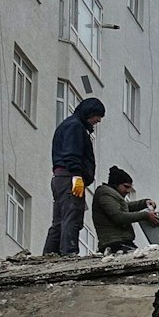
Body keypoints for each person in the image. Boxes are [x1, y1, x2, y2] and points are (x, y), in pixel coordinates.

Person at [42, 96, 105, 256]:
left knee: (60, 220)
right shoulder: (75, 127)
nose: (96, 121)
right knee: (72, 217)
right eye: (95, 117)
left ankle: (50, 254)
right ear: (89, 112)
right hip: (70, 177)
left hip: (62, 178)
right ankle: (68, 254)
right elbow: (72, 153)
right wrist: (77, 176)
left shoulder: (69, 125)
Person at [91, 167, 159, 255]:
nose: (128, 191)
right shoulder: (105, 194)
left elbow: (124, 206)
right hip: (113, 244)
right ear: (116, 184)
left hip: (120, 243)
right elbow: (119, 216)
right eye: (126, 187)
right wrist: (146, 215)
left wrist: (144, 203)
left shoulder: (112, 194)